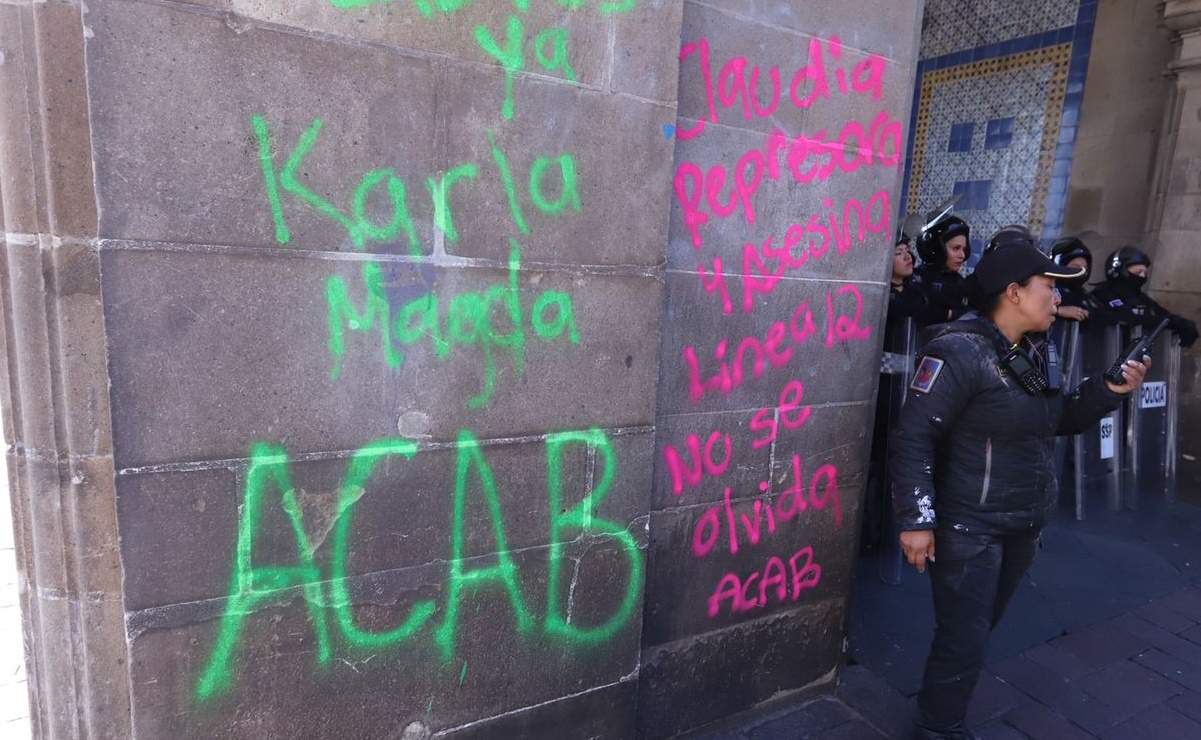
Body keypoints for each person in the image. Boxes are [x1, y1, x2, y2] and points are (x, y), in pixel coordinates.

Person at [889, 232, 1150, 740]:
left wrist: (1109, 388)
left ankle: (940, 708)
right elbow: (913, 438)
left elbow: (1055, 419)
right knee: (963, 637)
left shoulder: (1036, 350)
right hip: (970, 527)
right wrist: (917, 520)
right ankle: (937, 727)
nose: (1057, 298)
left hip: (1022, 523)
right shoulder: (957, 352)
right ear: (1013, 292)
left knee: (976, 631)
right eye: (1048, 287)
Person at [1087, 245, 1198, 347]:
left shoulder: (1141, 298)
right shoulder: (1102, 294)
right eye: (1138, 272)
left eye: (1144, 273)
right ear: (1120, 270)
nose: (1142, 276)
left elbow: (1161, 314)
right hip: (1106, 357)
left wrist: (1181, 324)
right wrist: (1163, 322)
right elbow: (1127, 317)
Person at [912, 216, 972, 326]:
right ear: (937, 249)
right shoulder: (917, 281)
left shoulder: (959, 282)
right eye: (956, 248)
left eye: (964, 249)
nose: (962, 255)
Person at [1048, 236, 1092, 322]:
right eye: (1075, 267)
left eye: (1084, 268)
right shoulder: (1045, 287)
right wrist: (1058, 310)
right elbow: (1027, 308)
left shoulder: (1083, 294)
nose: (1081, 271)